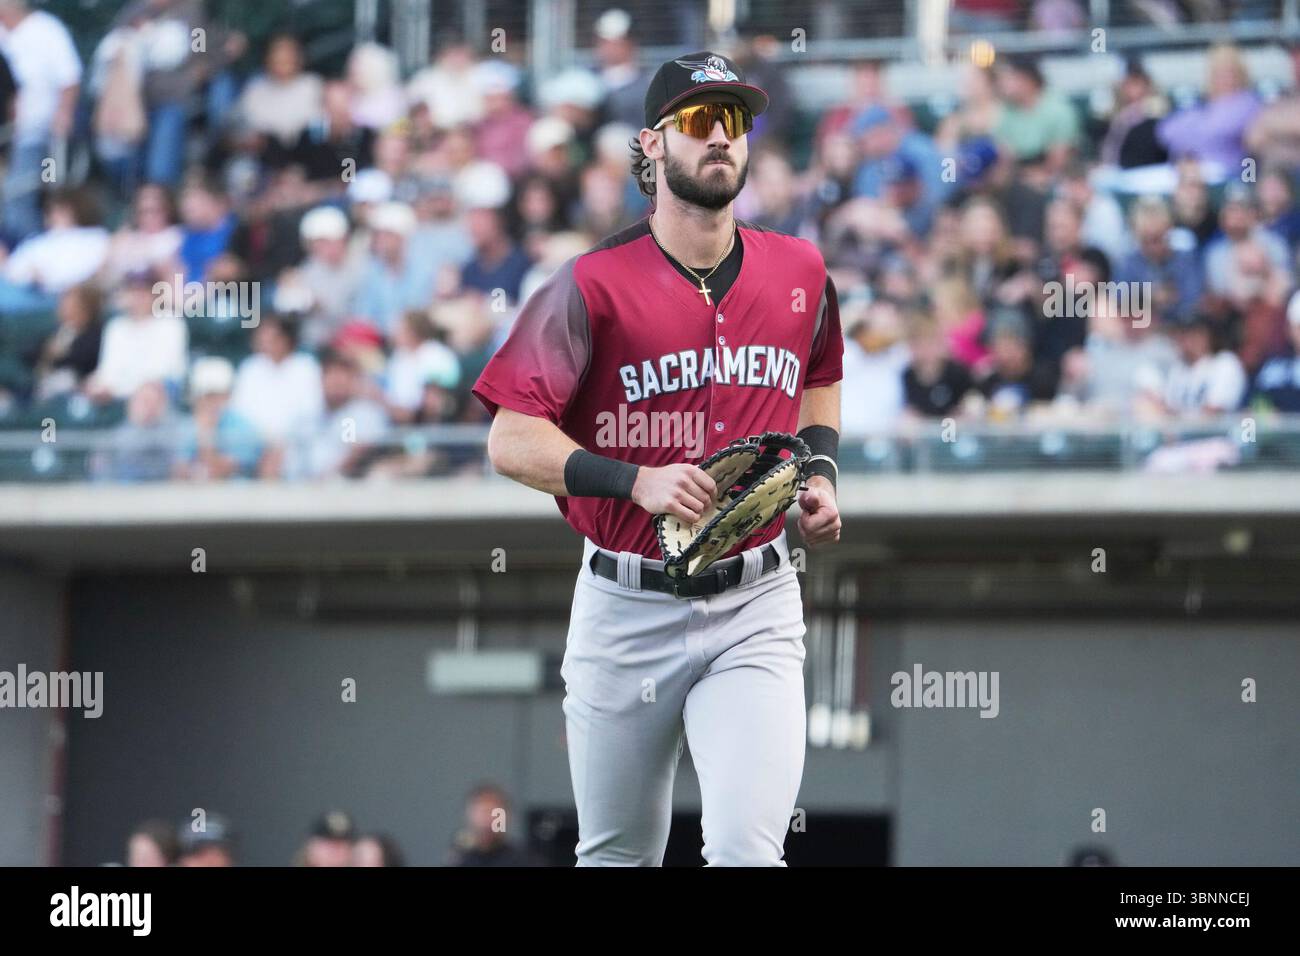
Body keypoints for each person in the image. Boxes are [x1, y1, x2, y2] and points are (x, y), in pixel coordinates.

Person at [472, 51, 843, 867]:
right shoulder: (588, 284)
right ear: (651, 144)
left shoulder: (800, 270)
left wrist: (820, 476)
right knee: (617, 858)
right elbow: (510, 437)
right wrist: (632, 480)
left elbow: (818, 377)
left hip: (756, 602)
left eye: (736, 123)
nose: (722, 139)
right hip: (625, 605)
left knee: (749, 855)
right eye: (700, 121)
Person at [0, 0, 82, 246]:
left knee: (19, 193)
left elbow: (70, 77)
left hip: (39, 135)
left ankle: (30, 247)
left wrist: (63, 115)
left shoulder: (47, 29)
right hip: (6, 136)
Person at [446, 784, 541, 867]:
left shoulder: (527, 861)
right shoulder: (460, 860)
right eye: (482, 813)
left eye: (494, 814)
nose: (487, 821)